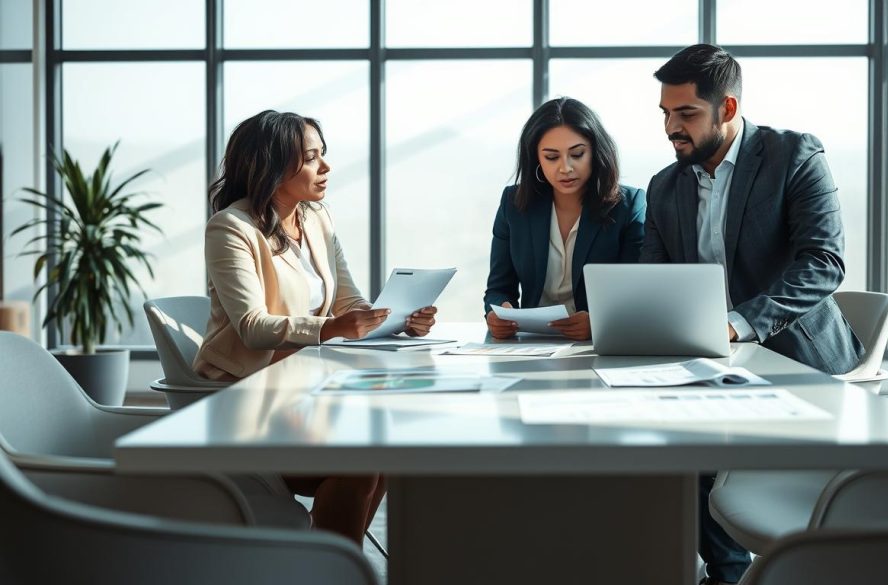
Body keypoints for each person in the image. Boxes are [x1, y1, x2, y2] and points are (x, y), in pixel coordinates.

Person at [640, 45, 865, 584]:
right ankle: (727, 572)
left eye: (686, 113)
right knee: (654, 437)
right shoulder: (666, 186)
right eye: (666, 114)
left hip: (799, 363)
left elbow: (824, 262)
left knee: (696, 448)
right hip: (708, 366)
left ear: (728, 108)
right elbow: (653, 283)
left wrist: (739, 323)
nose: (673, 127)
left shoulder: (793, 155)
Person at [193, 110, 437, 544]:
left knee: (381, 452)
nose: (324, 167)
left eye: (323, 155)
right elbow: (252, 327)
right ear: (271, 165)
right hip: (248, 402)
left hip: (304, 394)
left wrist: (397, 319)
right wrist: (331, 328)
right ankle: (331, 565)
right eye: (311, 158)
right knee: (359, 461)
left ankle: (329, 562)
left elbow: (348, 302)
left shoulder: (316, 219)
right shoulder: (231, 228)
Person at [484, 97, 646, 340]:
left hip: (597, 343)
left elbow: (636, 292)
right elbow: (498, 289)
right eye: (551, 157)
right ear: (536, 158)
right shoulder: (514, 203)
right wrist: (498, 313)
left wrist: (598, 321)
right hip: (531, 343)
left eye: (577, 154)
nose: (565, 168)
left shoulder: (628, 205)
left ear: (595, 152)